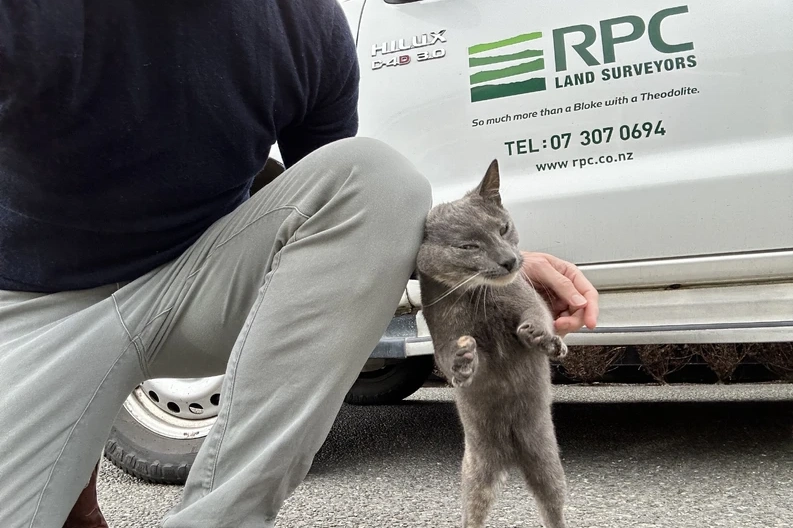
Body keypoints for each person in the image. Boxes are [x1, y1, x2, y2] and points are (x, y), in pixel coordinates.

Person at [0, 1, 599, 527]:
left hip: (199, 285)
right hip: (32, 308)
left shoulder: (305, 22)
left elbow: (356, 220)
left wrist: (501, 271)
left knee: (378, 178)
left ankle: (221, 518)